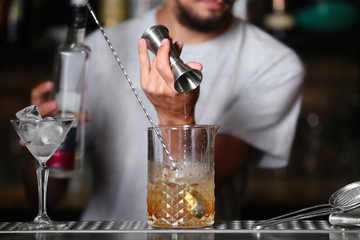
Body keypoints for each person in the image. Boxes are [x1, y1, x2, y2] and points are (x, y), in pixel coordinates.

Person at [28, 0, 304, 220]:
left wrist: (175, 118)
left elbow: (192, 207)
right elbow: (44, 198)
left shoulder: (275, 64)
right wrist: (44, 143)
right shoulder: (98, 47)